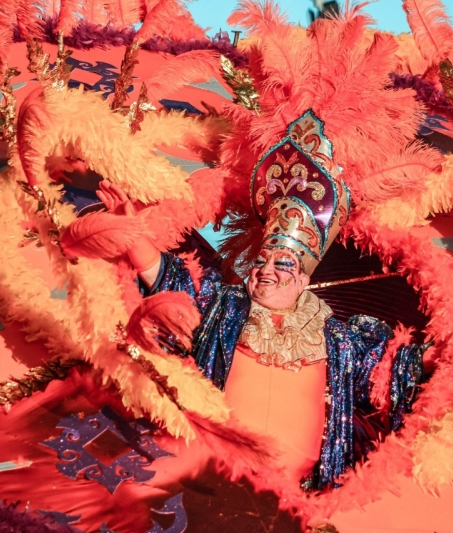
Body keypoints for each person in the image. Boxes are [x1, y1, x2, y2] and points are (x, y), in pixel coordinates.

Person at [97, 111, 431, 490]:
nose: (266, 270)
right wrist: (132, 235)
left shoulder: (342, 339)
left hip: (294, 498)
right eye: (262, 260)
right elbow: (172, 286)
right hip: (209, 478)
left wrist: (446, 357)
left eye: (283, 263)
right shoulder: (224, 307)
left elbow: (394, 371)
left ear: (304, 279)